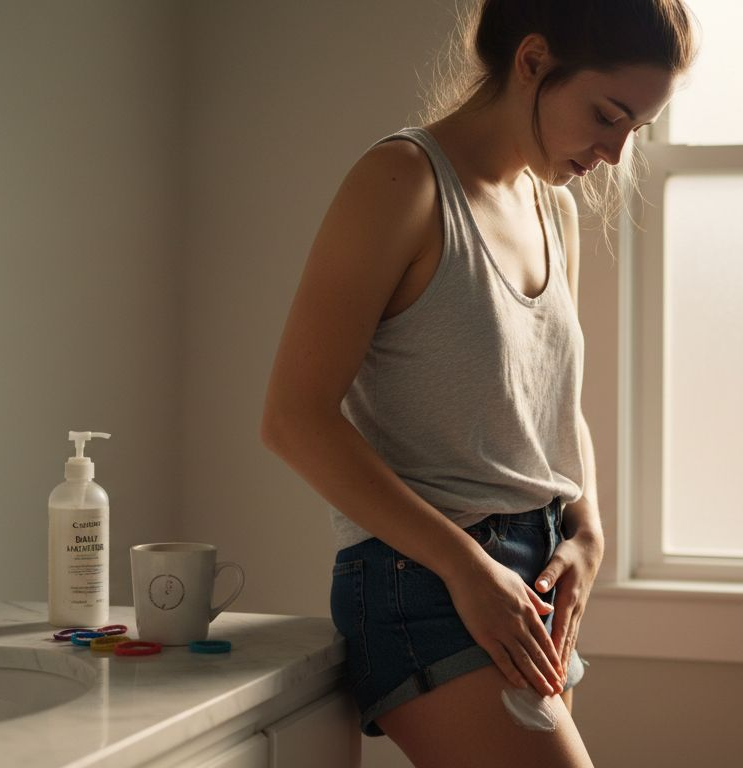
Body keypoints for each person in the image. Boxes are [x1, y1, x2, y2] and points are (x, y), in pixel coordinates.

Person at [261, 1, 697, 765]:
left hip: (533, 569)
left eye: (637, 129)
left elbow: (556, 403)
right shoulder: (401, 181)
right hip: (425, 578)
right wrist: (468, 568)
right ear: (532, 61)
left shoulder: (551, 210)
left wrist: (588, 531)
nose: (617, 152)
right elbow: (294, 420)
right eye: (608, 114)